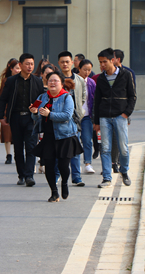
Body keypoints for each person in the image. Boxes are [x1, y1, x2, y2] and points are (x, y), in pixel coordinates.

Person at [30, 71, 83, 202]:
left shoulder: (66, 97)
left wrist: (50, 114)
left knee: (63, 166)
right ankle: (54, 192)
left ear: (61, 83)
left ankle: (64, 183)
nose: (52, 83)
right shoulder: (42, 97)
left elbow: (67, 115)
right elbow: (36, 117)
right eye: (50, 81)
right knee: (48, 165)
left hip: (65, 136)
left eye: (55, 81)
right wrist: (35, 112)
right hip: (48, 136)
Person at [0, 53, 44, 187]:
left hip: (31, 118)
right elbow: (3, 99)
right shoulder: (11, 81)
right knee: (18, 148)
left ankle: (29, 175)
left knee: (31, 147)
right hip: (15, 118)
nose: (30, 67)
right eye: (27, 64)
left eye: (32, 64)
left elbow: (41, 99)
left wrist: (37, 110)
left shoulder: (37, 81)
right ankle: (21, 175)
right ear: (20, 65)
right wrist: (1, 116)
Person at [93, 48, 137, 188]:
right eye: (100, 62)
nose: (102, 65)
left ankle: (124, 171)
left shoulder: (126, 74)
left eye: (104, 61)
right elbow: (97, 100)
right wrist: (96, 121)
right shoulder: (101, 78)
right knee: (105, 148)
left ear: (113, 60)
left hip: (120, 116)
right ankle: (107, 178)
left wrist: (126, 114)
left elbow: (132, 96)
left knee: (123, 148)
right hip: (104, 117)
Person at [57, 51, 86, 187]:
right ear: (59, 63)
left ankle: (76, 177)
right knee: (59, 150)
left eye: (67, 61)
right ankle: (57, 175)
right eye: (62, 61)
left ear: (72, 63)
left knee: (75, 148)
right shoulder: (56, 79)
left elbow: (83, 98)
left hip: (74, 120)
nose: (65, 64)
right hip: (58, 119)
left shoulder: (79, 80)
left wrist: (80, 113)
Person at [0, 58, 20, 164]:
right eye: (16, 68)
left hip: (18, 111)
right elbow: (1, 97)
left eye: (20, 68)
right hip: (7, 111)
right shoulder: (5, 81)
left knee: (17, 135)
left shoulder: (23, 80)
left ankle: (17, 154)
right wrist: (0, 113)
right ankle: (8, 154)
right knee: (7, 134)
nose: (18, 70)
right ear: (11, 69)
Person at [77, 59, 96, 174]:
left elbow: (93, 100)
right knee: (75, 141)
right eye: (85, 69)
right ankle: (75, 164)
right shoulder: (74, 81)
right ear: (79, 69)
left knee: (87, 140)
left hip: (87, 116)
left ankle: (88, 163)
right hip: (75, 116)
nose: (87, 72)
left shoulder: (91, 83)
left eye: (89, 70)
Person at [37, 63, 56, 174]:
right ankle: (41, 163)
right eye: (47, 74)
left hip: (52, 118)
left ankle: (46, 163)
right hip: (40, 118)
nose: (49, 76)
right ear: (42, 74)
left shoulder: (55, 87)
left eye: (51, 74)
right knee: (40, 141)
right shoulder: (38, 86)